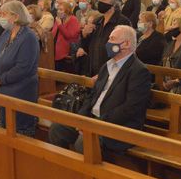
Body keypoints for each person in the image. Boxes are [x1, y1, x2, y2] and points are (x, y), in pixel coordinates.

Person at [49, 25, 151, 154]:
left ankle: (84, 174)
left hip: (117, 127)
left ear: (126, 44)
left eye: (112, 39)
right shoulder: (107, 66)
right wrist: (82, 119)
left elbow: (130, 108)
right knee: (57, 129)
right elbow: (92, 96)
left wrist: (95, 124)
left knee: (84, 141)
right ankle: (63, 171)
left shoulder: (138, 71)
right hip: (94, 120)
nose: (108, 43)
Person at [0, 1, 40, 136]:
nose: (1, 17)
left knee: (17, 132)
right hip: (3, 90)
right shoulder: (6, 33)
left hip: (20, 91)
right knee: (2, 131)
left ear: (16, 17)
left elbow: (22, 68)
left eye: (5, 14)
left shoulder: (28, 37)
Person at [77, 0, 132, 77]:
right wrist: (84, 35)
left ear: (114, 3)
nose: (100, 2)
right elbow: (88, 49)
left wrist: (104, 74)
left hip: (112, 73)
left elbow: (122, 53)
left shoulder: (122, 22)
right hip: (93, 71)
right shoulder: (97, 22)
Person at [51, 1, 80, 72]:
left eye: (61, 10)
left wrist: (60, 25)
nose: (58, 11)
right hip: (55, 46)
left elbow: (68, 35)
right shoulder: (59, 19)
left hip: (68, 48)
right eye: (58, 9)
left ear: (67, 11)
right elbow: (53, 33)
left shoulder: (73, 20)